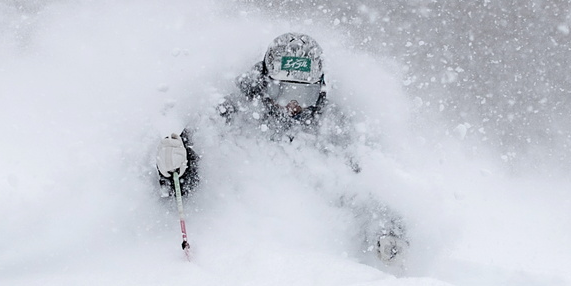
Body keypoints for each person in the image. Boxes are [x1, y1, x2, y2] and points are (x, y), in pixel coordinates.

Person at [155, 32, 407, 264]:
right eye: (283, 91)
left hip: (316, 263)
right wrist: (173, 170)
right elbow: (180, 185)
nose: (293, 105)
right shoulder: (227, 118)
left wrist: (386, 229)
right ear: (264, 83)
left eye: (304, 94)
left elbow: (365, 189)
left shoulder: (333, 132)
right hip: (232, 257)